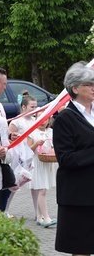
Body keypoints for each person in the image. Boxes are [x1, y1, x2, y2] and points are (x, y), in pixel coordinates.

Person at [53, 62, 94, 255]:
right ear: (75, 88)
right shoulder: (65, 118)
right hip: (79, 197)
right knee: (81, 248)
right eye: (89, 84)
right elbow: (66, 159)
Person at [5, 95, 38, 217]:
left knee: (36, 185)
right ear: (24, 107)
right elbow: (9, 137)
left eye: (36, 107)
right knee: (14, 184)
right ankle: (5, 210)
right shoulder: (17, 121)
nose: (35, 110)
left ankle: (38, 212)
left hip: (31, 155)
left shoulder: (35, 121)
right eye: (32, 107)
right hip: (18, 157)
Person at [27, 113, 56, 228]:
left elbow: (54, 146)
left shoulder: (51, 132)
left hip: (47, 162)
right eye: (40, 119)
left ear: (49, 120)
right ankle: (47, 217)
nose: (43, 122)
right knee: (42, 190)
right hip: (37, 163)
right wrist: (36, 144)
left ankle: (39, 217)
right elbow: (27, 150)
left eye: (45, 119)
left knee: (43, 189)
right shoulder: (32, 132)